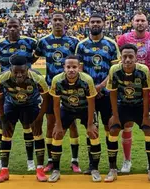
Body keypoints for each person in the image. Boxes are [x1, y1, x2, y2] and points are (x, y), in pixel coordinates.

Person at [0, 17, 38, 172]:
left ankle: (30, 161)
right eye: (10, 26)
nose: (12, 29)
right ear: (6, 28)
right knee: (3, 126)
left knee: (27, 126)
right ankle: (2, 161)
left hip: (26, 91)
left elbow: (36, 56)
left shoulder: (30, 42)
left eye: (15, 26)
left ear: (20, 27)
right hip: (6, 92)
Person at [104, 44, 150, 183]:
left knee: (149, 130)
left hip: (139, 105)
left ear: (136, 58)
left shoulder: (143, 70)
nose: (127, 59)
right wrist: (115, 116)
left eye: (130, 57)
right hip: (122, 105)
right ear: (120, 58)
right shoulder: (114, 70)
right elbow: (113, 94)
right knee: (113, 130)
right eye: (125, 57)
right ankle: (112, 169)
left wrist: (146, 116)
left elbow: (146, 94)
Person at [34, 11, 80, 173]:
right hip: (50, 90)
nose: (58, 22)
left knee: (72, 124)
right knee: (51, 123)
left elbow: (79, 65)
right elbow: (29, 61)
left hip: (70, 90)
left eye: (61, 19)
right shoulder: (43, 42)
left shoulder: (74, 42)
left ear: (65, 21)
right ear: (51, 22)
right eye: (55, 20)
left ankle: (75, 161)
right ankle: (51, 160)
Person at [75, 13, 120, 174]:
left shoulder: (111, 44)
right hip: (89, 96)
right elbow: (78, 70)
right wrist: (92, 89)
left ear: (104, 23)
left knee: (110, 129)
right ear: (88, 24)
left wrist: (100, 87)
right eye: (92, 22)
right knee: (91, 129)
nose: (95, 24)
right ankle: (93, 165)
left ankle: (112, 165)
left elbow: (114, 70)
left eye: (98, 21)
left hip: (107, 94)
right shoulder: (81, 45)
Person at [0, 55, 49, 183]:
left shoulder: (37, 78)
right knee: (6, 134)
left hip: (31, 105)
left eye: (22, 72)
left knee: (37, 134)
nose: (19, 75)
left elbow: (47, 98)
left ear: (27, 69)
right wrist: (2, 118)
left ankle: (39, 170)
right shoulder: (1, 78)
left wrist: (40, 118)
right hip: (11, 105)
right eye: (15, 72)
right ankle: (4, 171)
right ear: (10, 69)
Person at [116, 11, 150, 173]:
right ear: (132, 22)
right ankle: (127, 161)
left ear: (147, 22)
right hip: (128, 88)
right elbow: (120, 58)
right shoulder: (123, 39)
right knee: (126, 124)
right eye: (137, 20)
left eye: (143, 20)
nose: (140, 23)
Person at [48, 55, 101, 183]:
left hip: (85, 109)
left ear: (79, 68)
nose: (71, 70)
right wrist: (58, 124)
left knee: (93, 134)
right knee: (57, 135)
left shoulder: (87, 80)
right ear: (64, 68)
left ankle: (94, 169)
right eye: (68, 67)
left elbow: (91, 104)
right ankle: (56, 170)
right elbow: (55, 104)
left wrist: (90, 124)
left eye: (74, 67)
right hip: (66, 109)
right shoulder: (57, 80)